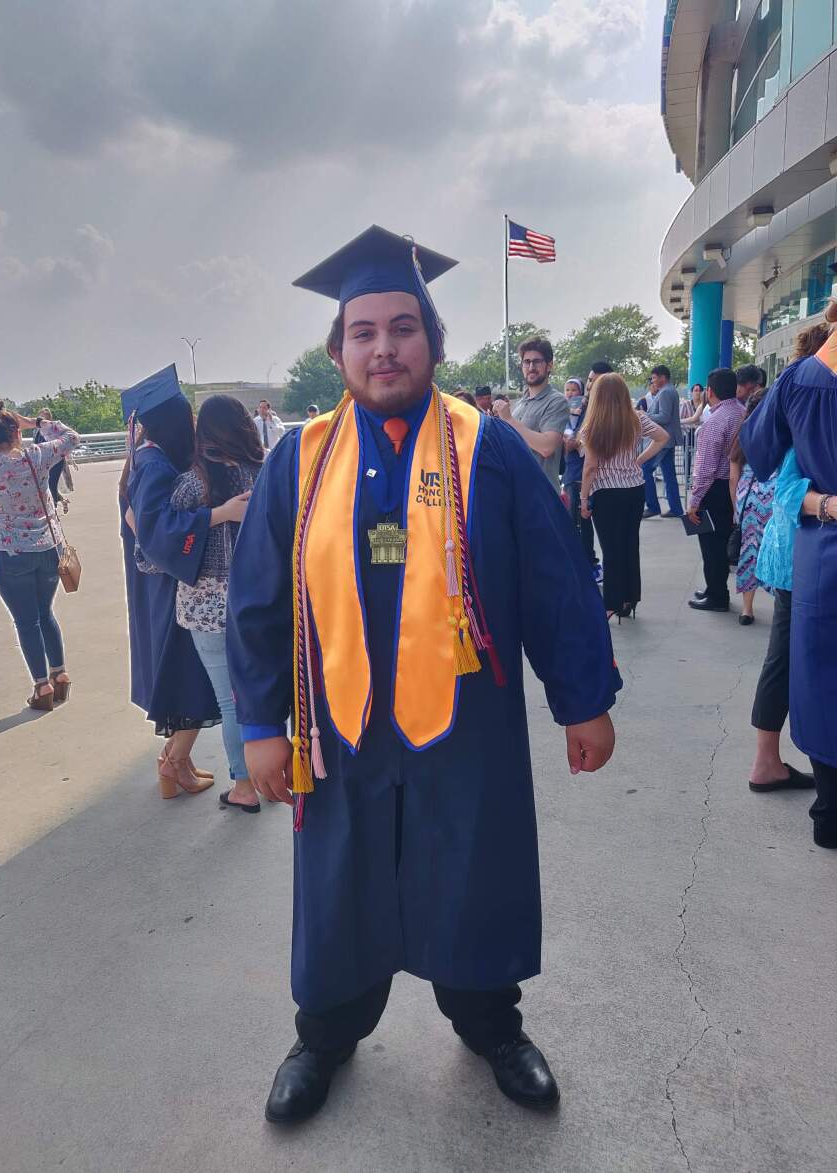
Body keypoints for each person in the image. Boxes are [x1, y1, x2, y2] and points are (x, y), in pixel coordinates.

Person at [227, 225, 619, 1124]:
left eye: (402, 328)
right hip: (340, 728)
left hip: (466, 728)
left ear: (434, 344)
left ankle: (492, 1024)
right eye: (362, 331)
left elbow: (557, 580)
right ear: (338, 351)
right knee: (338, 887)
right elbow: (257, 601)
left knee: (474, 871)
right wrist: (258, 725)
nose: (384, 347)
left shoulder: (491, 449)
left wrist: (583, 701)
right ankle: (323, 1034)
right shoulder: (299, 456)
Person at [119, 366, 249, 799]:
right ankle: (172, 764)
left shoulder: (151, 457)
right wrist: (221, 513)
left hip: (181, 576)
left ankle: (178, 762)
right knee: (189, 676)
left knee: (197, 676)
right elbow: (157, 536)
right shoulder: (156, 464)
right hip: (171, 576)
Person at [742, 300, 837, 849]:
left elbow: (758, 450)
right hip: (816, 546)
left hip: (822, 554)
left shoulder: (801, 380)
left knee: (818, 672)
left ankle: (830, 808)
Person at [171, 395, 265, 812]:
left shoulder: (194, 481)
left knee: (230, 702)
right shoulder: (264, 474)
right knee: (264, 694)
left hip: (206, 606)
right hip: (261, 598)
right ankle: (270, 773)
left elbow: (158, 552)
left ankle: (245, 786)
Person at [0, 401, 78, 709]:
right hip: (48, 550)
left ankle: (41, 687)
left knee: (26, 621)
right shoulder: (36, 455)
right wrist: (37, 422)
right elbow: (72, 437)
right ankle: (60, 674)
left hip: (9, 552)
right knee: (44, 613)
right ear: (15, 431)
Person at [579, 373, 668, 619]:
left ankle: (611, 603)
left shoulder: (593, 426)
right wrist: (638, 460)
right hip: (634, 488)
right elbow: (662, 437)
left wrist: (584, 499)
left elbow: (590, 467)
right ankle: (630, 598)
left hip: (606, 492)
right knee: (630, 545)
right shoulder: (636, 418)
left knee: (611, 548)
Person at [686, 368, 747, 613]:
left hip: (714, 488)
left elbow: (706, 467)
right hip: (733, 485)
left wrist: (694, 500)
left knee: (711, 545)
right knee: (721, 541)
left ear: (709, 392)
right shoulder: (742, 412)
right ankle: (714, 588)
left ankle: (717, 595)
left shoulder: (715, 421)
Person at [492, 337, 569, 495]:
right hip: (514, 493)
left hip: (541, 495)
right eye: (526, 362)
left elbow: (547, 447)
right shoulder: (518, 404)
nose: (531, 367)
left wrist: (509, 420)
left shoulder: (556, 401)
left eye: (536, 362)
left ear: (549, 365)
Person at [729, 389, 775, 626]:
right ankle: (781, 605)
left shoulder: (744, 432)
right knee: (778, 551)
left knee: (749, 552)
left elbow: (733, 472)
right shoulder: (783, 431)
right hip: (775, 497)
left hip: (748, 498)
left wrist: (736, 506)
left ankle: (747, 609)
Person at [562, 376, 601, 582]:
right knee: (570, 518)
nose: (570, 394)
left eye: (573, 390)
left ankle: (589, 560)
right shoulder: (564, 415)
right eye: (567, 390)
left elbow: (586, 444)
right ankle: (576, 560)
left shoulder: (588, 415)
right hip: (570, 473)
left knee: (584, 519)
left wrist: (576, 441)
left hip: (583, 475)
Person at [641, 365, 684, 519]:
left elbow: (664, 417)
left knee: (644, 470)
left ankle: (652, 506)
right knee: (669, 474)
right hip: (668, 439)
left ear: (662, 377)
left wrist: (645, 416)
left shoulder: (665, 392)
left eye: (653, 378)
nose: (652, 381)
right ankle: (676, 508)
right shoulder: (669, 391)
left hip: (663, 440)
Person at [33, 408, 69, 514]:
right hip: (43, 461)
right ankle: (62, 501)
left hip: (56, 461)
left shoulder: (54, 429)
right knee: (45, 485)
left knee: (51, 484)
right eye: (39, 417)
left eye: (43, 417)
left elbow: (63, 442)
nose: (41, 420)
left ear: (49, 418)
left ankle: (53, 509)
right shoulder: (38, 431)